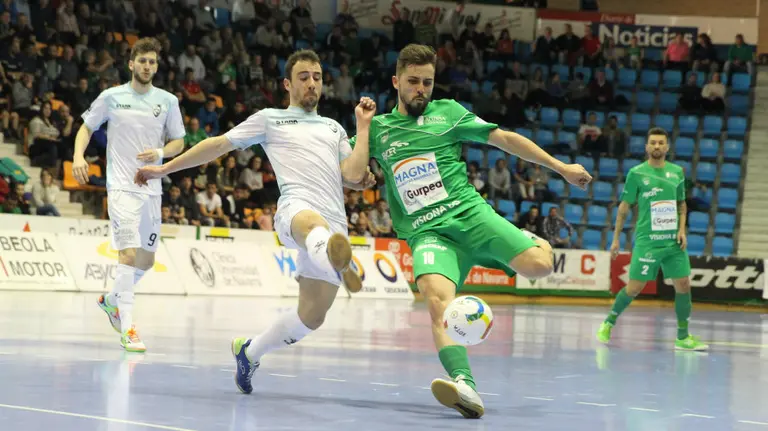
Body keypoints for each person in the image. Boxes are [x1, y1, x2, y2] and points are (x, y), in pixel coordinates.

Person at [349, 44, 593, 419]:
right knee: (436, 300)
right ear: (397, 81)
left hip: (471, 216)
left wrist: (559, 166)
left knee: (541, 266)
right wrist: (363, 129)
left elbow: (506, 139)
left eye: (427, 82)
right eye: (412, 81)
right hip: (428, 233)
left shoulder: (449, 113)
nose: (420, 89)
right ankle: (465, 385)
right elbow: (351, 175)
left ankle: (531, 241)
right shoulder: (380, 129)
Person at [133, 49, 377, 394]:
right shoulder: (271, 119)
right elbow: (218, 145)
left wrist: (363, 128)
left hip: (335, 221)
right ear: (287, 84)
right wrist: (164, 168)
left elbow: (351, 175)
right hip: (297, 211)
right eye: (304, 77)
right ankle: (339, 259)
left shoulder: (333, 127)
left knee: (311, 318)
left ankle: (250, 352)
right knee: (312, 223)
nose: (312, 84)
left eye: (318, 78)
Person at [70, 37, 186, 353]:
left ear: (156, 66)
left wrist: (162, 151)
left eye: (152, 62)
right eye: (142, 61)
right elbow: (85, 127)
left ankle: (111, 300)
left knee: (146, 263)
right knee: (129, 254)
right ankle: (128, 327)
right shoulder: (112, 96)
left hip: (152, 189)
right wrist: (79, 156)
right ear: (131, 64)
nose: (147, 66)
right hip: (121, 187)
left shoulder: (168, 101)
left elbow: (179, 142)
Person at [597, 127, 708, 352]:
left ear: (667, 147)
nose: (657, 146)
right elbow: (624, 207)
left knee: (684, 285)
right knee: (635, 287)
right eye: (653, 143)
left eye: (661, 143)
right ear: (647, 147)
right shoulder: (636, 173)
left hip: (673, 242)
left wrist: (682, 230)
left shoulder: (677, 172)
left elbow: (681, 205)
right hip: (648, 241)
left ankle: (683, 337)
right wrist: (616, 239)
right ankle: (608, 322)